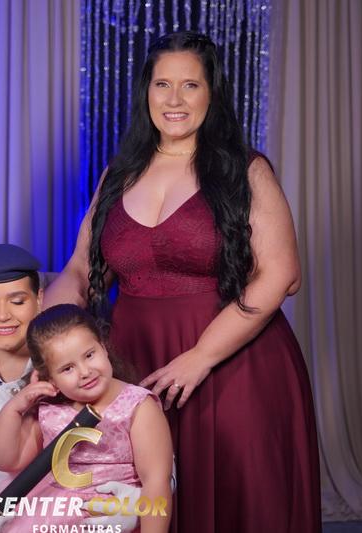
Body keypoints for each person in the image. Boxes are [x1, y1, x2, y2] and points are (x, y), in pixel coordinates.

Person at [44, 31, 321, 533]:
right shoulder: (118, 175)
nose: (174, 99)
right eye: (162, 84)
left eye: (190, 85)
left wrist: (202, 356)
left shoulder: (246, 170)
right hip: (136, 363)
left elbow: (283, 274)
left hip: (233, 364)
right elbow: (80, 269)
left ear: (211, 94)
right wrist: (45, 342)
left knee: (237, 499)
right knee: (142, 501)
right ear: (146, 92)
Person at [0, 246, 144, 533]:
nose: (2, 315)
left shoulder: (81, 373)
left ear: (39, 299)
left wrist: (137, 504)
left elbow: (153, 460)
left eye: (17, 301)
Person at [0, 304, 173, 533]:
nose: (85, 372)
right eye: (67, 369)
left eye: (89, 355)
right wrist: (14, 408)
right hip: (49, 516)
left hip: (110, 516)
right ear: (50, 378)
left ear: (103, 347)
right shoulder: (50, 410)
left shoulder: (137, 405)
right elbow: (6, 460)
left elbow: (156, 482)